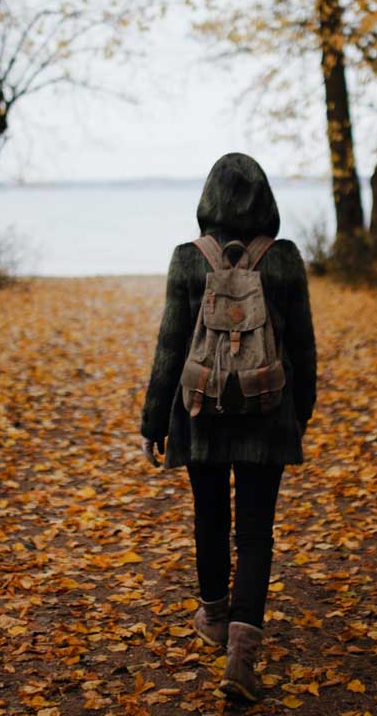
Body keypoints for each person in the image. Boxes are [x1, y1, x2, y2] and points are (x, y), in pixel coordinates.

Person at [140, 152, 317, 702]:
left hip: (201, 415)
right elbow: (304, 347)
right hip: (267, 414)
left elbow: (170, 346)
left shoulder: (188, 260)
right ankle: (242, 651)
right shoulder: (283, 259)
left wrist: (153, 421)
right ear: (266, 200)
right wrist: (300, 411)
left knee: (210, 517)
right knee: (256, 530)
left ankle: (214, 617)